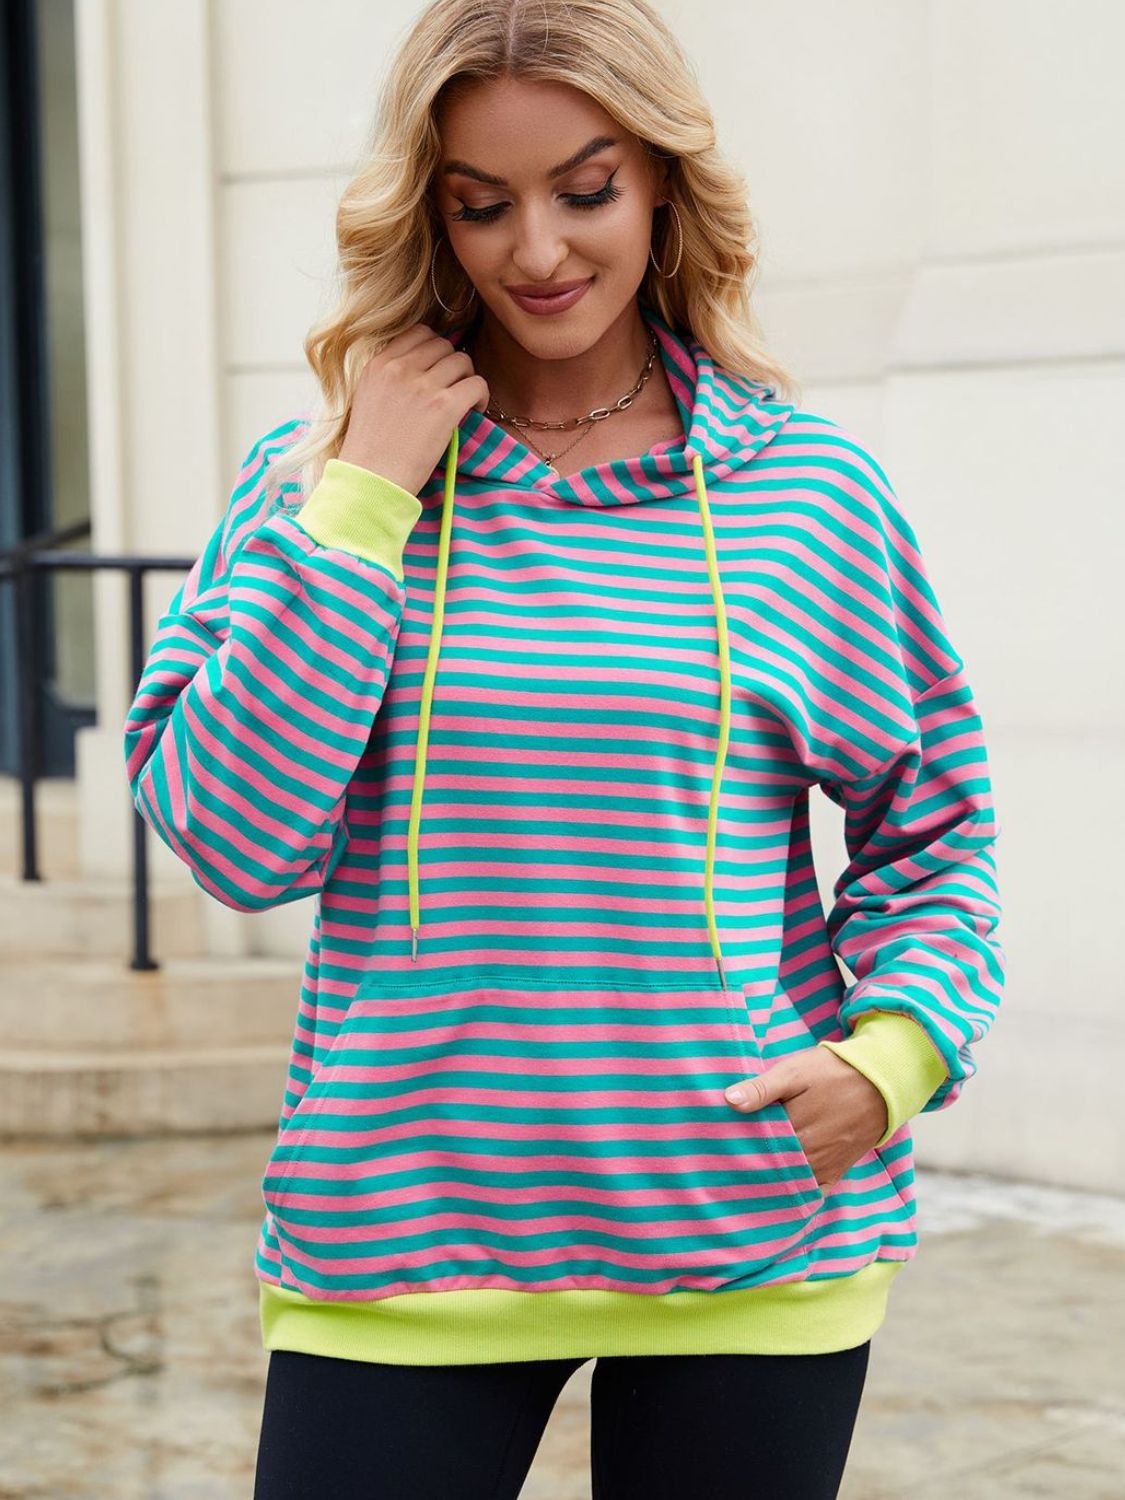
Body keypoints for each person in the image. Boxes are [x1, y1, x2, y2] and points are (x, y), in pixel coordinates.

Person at [122, 2, 1006, 1495]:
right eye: (482, 206)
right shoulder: (318, 482)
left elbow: (936, 825)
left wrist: (894, 1056)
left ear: (661, 183)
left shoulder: (805, 495)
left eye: (584, 190)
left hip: (753, 1237)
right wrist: (366, 498)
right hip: (399, 1242)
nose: (535, 250)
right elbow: (233, 843)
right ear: (431, 215)